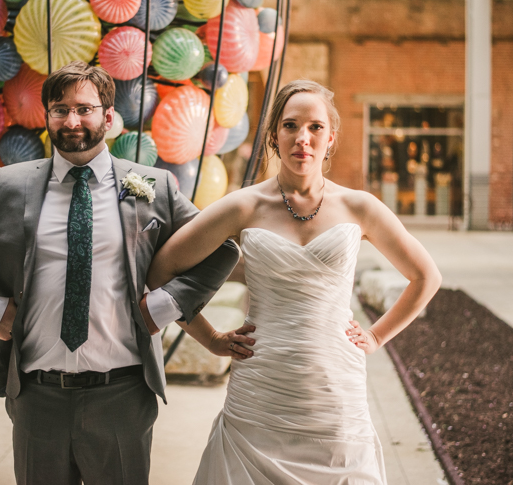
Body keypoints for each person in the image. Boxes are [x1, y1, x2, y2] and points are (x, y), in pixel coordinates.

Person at [0, 61, 255, 485]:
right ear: (47, 118)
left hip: (123, 396)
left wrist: (166, 305)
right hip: (36, 396)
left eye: (85, 108)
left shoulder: (154, 186)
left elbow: (221, 249)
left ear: (109, 117)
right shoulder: (10, 185)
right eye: (59, 109)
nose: (71, 119)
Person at [147, 80, 443, 484]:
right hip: (261, 391)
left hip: (335, 391)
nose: (303, 138)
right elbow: (162, 270)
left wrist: (375, 337)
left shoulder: (359, 207)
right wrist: (210, 338)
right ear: (273, 136)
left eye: (315, 127)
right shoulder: (243, 205)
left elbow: (426, 276)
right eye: (290, 126)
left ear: (330, 137)